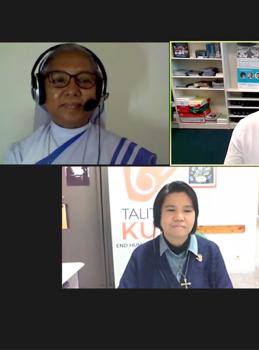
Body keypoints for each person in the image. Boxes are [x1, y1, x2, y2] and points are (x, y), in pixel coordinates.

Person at [4, 43, 157, 164]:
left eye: (84, 80)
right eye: (59, 80)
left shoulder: (128, 156)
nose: (72, 90)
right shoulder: (19, 154)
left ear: (99, 93)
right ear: (40, 90)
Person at [119, 181, 233, 288]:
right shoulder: (141, 255)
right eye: (171, 210)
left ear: (195, 215)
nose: (179, 217)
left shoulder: (211, 252)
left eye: (187, 210)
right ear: (158, 214)